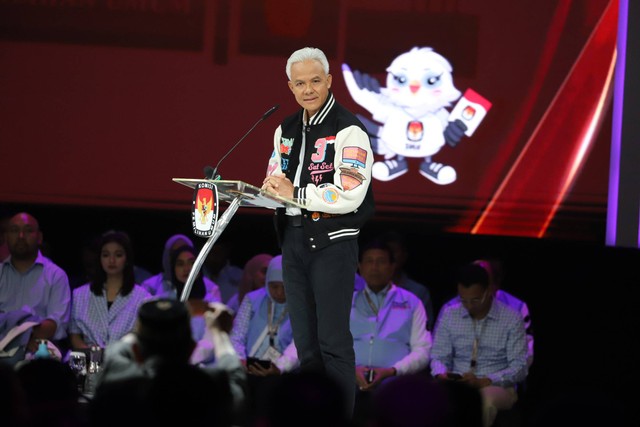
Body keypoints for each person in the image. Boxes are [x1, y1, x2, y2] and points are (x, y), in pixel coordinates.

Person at [261, 46, 375, 416]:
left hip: (332, 243)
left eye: (314, 81)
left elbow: (350, 193)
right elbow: (275, 179)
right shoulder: (286, 128)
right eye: (299, 83)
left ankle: (338, 419)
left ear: (328, 81)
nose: (307, 89)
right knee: (306, 345)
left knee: (332, 344)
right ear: (290, 86)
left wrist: (296, 193)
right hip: (293, 240)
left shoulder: (350, 129)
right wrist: (263, 191)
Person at [95, 298, 247, 425]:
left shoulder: (120, 385)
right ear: (193, 348)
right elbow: (235, 376)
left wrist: (152, 321)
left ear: (136, 352)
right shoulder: (210, 387)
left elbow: (111, 355)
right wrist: (219, 332)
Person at [430, 262, 528, 427]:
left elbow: (520, 367)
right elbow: (438, 356)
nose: (468, 306)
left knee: (484, 401)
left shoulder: (511, 318)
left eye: (475, 300)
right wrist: (442, 375)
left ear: (489, 290)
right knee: (428, 396)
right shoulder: (450, 314)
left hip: (496, 385)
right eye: (463, 300)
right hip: (458, 382)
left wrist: (486, 380)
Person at [351, 240, 432, 425]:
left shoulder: (412, 302)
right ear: (359, 267)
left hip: (395, 381)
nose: (374, 267)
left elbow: (422, 349)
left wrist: (391, 371)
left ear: (392, 267)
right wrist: (351, 370)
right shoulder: (344, 302)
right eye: (369, 261)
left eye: (380, 261)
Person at [0, 212, 71, 365]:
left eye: (28, 230)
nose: (20, 236)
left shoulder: (56, 275)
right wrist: (27, 335)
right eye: (14, 230)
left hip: (39, 357)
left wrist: (10, 329)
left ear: (39, 237)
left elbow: (55, 325)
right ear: (5, 237)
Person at [69, 230, 151, 350]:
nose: (111, 261)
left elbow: (143, 338)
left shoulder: (143, 297)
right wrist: (91, 354)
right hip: (89, 362)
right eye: (106, 255)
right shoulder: (80, 295)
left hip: (124, 362)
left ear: (127, 259)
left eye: (118, 255)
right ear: (99, 258)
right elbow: (74, 335)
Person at [378, 230, 435, 331]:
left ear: (404, 256)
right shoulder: (365, 289)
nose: (390, 257)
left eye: (394, 252)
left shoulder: (418, 292)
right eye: (387, 253)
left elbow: (425, 330)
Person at [169, 244, 221, 341]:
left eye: (192, 263)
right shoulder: (166, 301)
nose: (186, 269)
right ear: (173, 269)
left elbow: (213, 341)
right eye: (180, 264)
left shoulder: (212, 303)